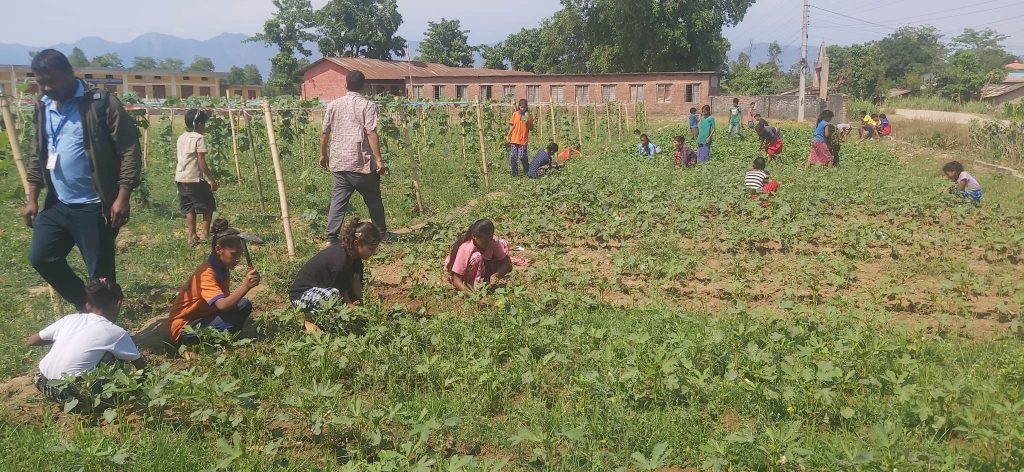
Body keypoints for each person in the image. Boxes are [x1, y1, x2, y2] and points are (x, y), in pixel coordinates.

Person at [23, 49, 141, 311]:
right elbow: (37, 152)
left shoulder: (100, 103)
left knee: (101, 277)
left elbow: (129, 149)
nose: (45, 88)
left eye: (50, 81)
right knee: (42, 257)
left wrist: (122, 197)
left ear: (68, 73)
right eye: (40, 82)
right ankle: (86, 305)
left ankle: (107, 339)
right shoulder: (44, 105)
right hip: (58, 202)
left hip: (94, 205)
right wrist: (32, 197)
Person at [27, 279, 145, 407]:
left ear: (88, 305)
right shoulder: (115, 332)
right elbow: (140, 365)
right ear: (118, 303)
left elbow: (32, 340)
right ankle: (103, 401)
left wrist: (66, 337)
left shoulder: (70, 319)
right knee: (115, 355)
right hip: (73, 394)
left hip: (42, 383)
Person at [320, 70, 397, 245]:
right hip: (360, 163)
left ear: (345, 84)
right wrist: (379, 159)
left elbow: (325, 132)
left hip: (339, 161)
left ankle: (331, 238)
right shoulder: (367, 105)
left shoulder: (333, 105)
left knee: (338, 201)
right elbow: (370, 132)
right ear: (364, 86)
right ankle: (381, 234)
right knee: (373, 199)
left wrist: (323, 154)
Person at [168, 219, 261, 345]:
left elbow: (225, 303)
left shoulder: (222, 268)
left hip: (205, 315)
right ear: (218, 249)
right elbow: (222, 305)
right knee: (228, 324)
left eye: (240, 255)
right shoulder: (206, 273)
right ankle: (204, 344)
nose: (237, 259)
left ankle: (226, 336)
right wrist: (246, 286)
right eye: (234, 255)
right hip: (185, 327)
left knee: (244, 304)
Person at [290, 220, 382, 333]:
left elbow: (356, 283)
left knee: (348, 295)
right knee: (333, 295)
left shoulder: (355, 258)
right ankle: (308, 320)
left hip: (322, 289)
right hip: (302, 296)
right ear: (357, 243)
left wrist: (365, 306)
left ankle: (324, 318)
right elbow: (343, 297)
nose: (373, 252)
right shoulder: (340, 260)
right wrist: (359, 313)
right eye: (371, 249)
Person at [176, 109, 218, 247]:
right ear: (199, 124)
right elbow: (201, 160)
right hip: (193, 178)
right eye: (204, 124)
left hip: (181, 177)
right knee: (208, 205)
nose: (204, 127)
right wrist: (211, 179)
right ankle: (205, 235)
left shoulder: (181, 137)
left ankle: (192, 236)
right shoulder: (199, 138)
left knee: (189, 207)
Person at [444, 219, 512, 294]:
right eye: (484, 241)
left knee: (503, 243)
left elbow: (505, 263)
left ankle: (484, 280)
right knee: (476, 257)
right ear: (474, 236)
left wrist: (496, 275)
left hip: (485, 266)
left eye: (490, 238)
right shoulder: (466, 249)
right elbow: (456, 280)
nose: (488, 243)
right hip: (465, 272)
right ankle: (472, 285)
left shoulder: (492, 240)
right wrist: (473, 296)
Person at [506, 99, 534, 176]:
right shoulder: (515, 114)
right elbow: (512, 126)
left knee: (522, 156)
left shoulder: (529, 116)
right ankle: (514, 173)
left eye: (524, 107)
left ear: (527, 107)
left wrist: (528, 121)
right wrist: (508, 135)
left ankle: (527, 169)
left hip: (523, 140)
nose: (523, 109)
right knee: (513, 156)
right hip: (514, 139)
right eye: (521, 107)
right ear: (519, 107)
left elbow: (531, 128)